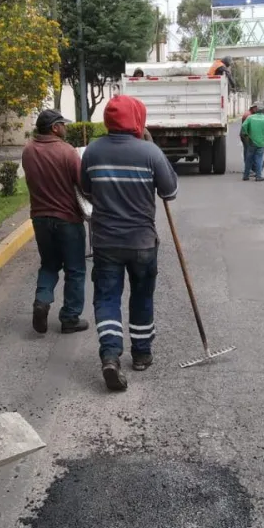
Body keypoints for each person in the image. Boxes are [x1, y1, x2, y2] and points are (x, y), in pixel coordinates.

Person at [80, 94, 177, 392]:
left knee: (107, 299)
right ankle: (142, 353)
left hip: (106, 242)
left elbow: (86, 190)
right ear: (138, 119)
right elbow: (170, 191)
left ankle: (110, 355)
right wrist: (151, 148)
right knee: (141, 296)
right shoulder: (150, 153)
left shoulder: (93, 153)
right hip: (143, 243)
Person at [21, 109, 88, 335]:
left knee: (49, 264)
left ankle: (42, 301)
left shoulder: (28, 151)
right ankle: (70, 318)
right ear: (54, 128)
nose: (65, 128)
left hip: (40, 219)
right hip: (67, 219)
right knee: (75, 269)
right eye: (63, 124)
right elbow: (83, 183)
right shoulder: (67, 152)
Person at [240, 104, 264, 181]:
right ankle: (258, 176)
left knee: (249, 158)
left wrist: (247, 134)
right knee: (259, 158)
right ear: (263, 111)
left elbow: (244, 126)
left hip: (251, 141)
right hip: (261, 142)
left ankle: (246, 176)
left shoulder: (250, 117)